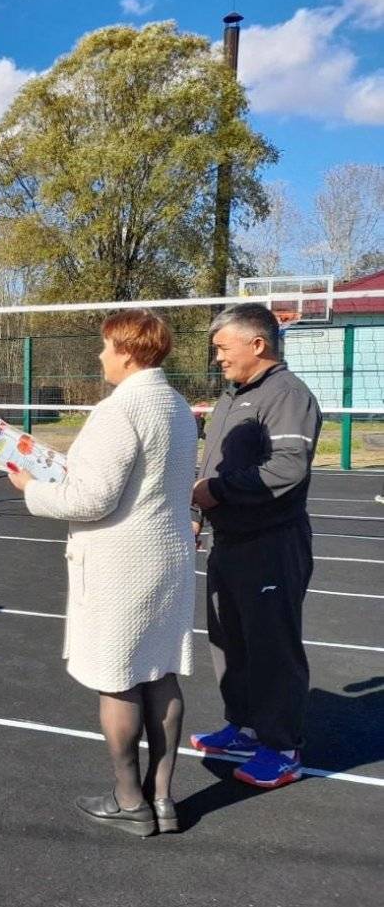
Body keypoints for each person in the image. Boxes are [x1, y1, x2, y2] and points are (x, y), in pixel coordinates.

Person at [10, 310, 197, 837]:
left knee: (117, 677)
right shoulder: (178, 406)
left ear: (128, 351)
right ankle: (163, 800)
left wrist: (31, 487)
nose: (100, 356)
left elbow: (94, 498)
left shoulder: (122, 408)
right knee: (160, 673)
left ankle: (128, 800)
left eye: (105, 347)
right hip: (168, 555)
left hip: (121, 563)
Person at [190, 303, 322, 790]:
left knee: (272, 647)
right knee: (229, 639)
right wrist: (199, 514)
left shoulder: (287, 395)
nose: (218, 357)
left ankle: (282, 747)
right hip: (231, 541)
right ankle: (244, 725)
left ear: (257, 344)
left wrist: (218, 492)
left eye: (223, 347)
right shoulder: (233, 396)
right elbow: (213, 468)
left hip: (271, 544)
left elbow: (288, 468)